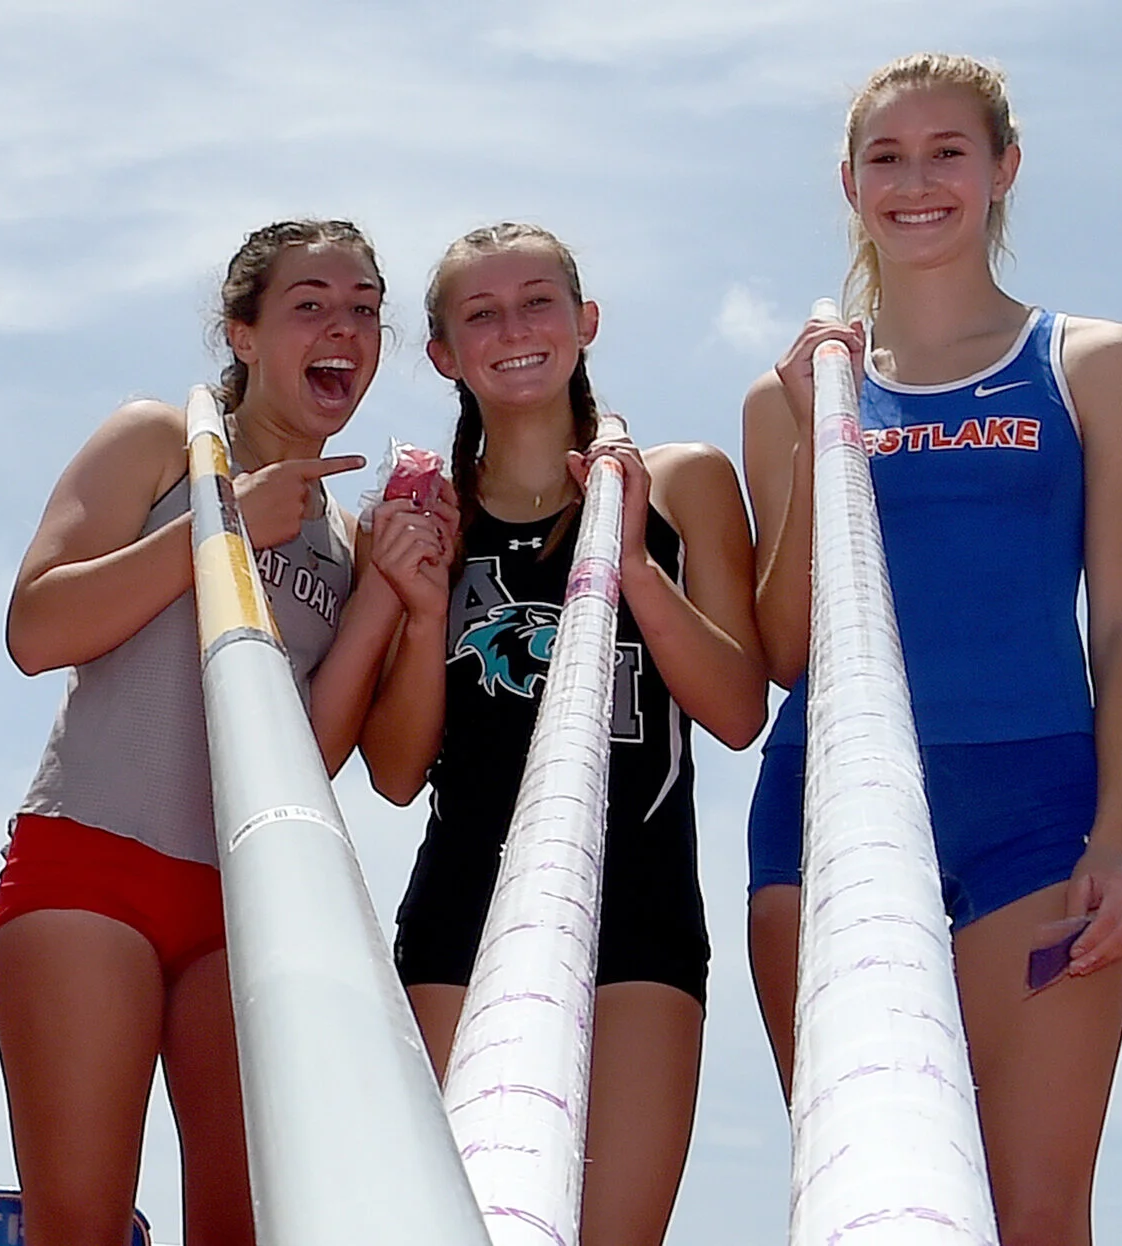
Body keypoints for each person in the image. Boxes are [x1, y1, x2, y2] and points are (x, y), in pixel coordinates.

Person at [742, 53, 1122, 1241]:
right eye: (886, 156)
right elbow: (785, 649)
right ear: (848, 182)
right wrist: (809, 441)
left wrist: (1120, 843)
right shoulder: (789, 394)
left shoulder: (1097, 365)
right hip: (823, 815)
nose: (916, 181)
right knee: (872, 1202)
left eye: (947, 153)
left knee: (1035, 1210)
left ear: (1002, 171)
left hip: (1034, 813)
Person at [0, 219, 445, 1246]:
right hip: (87, 869)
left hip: (248, 906)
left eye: (365, 309)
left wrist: (386, 597)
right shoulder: (163, 438)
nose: (344, 326)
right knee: (80, 1226)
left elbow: (307, 761)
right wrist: (222, 522)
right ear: (242, 334)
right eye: (311, 304)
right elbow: (35, 627)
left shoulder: (338, 531)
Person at [358, 222, 767, 1245]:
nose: (515, 329)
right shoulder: (422, 517)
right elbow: (399, 773)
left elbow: (736, 709)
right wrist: (413, 607)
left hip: (639, 915)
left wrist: (627, 562)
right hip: (463, 916)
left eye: (537, 301)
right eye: (480, 313)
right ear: (444, 353)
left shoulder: (681, 482)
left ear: (584, 322)